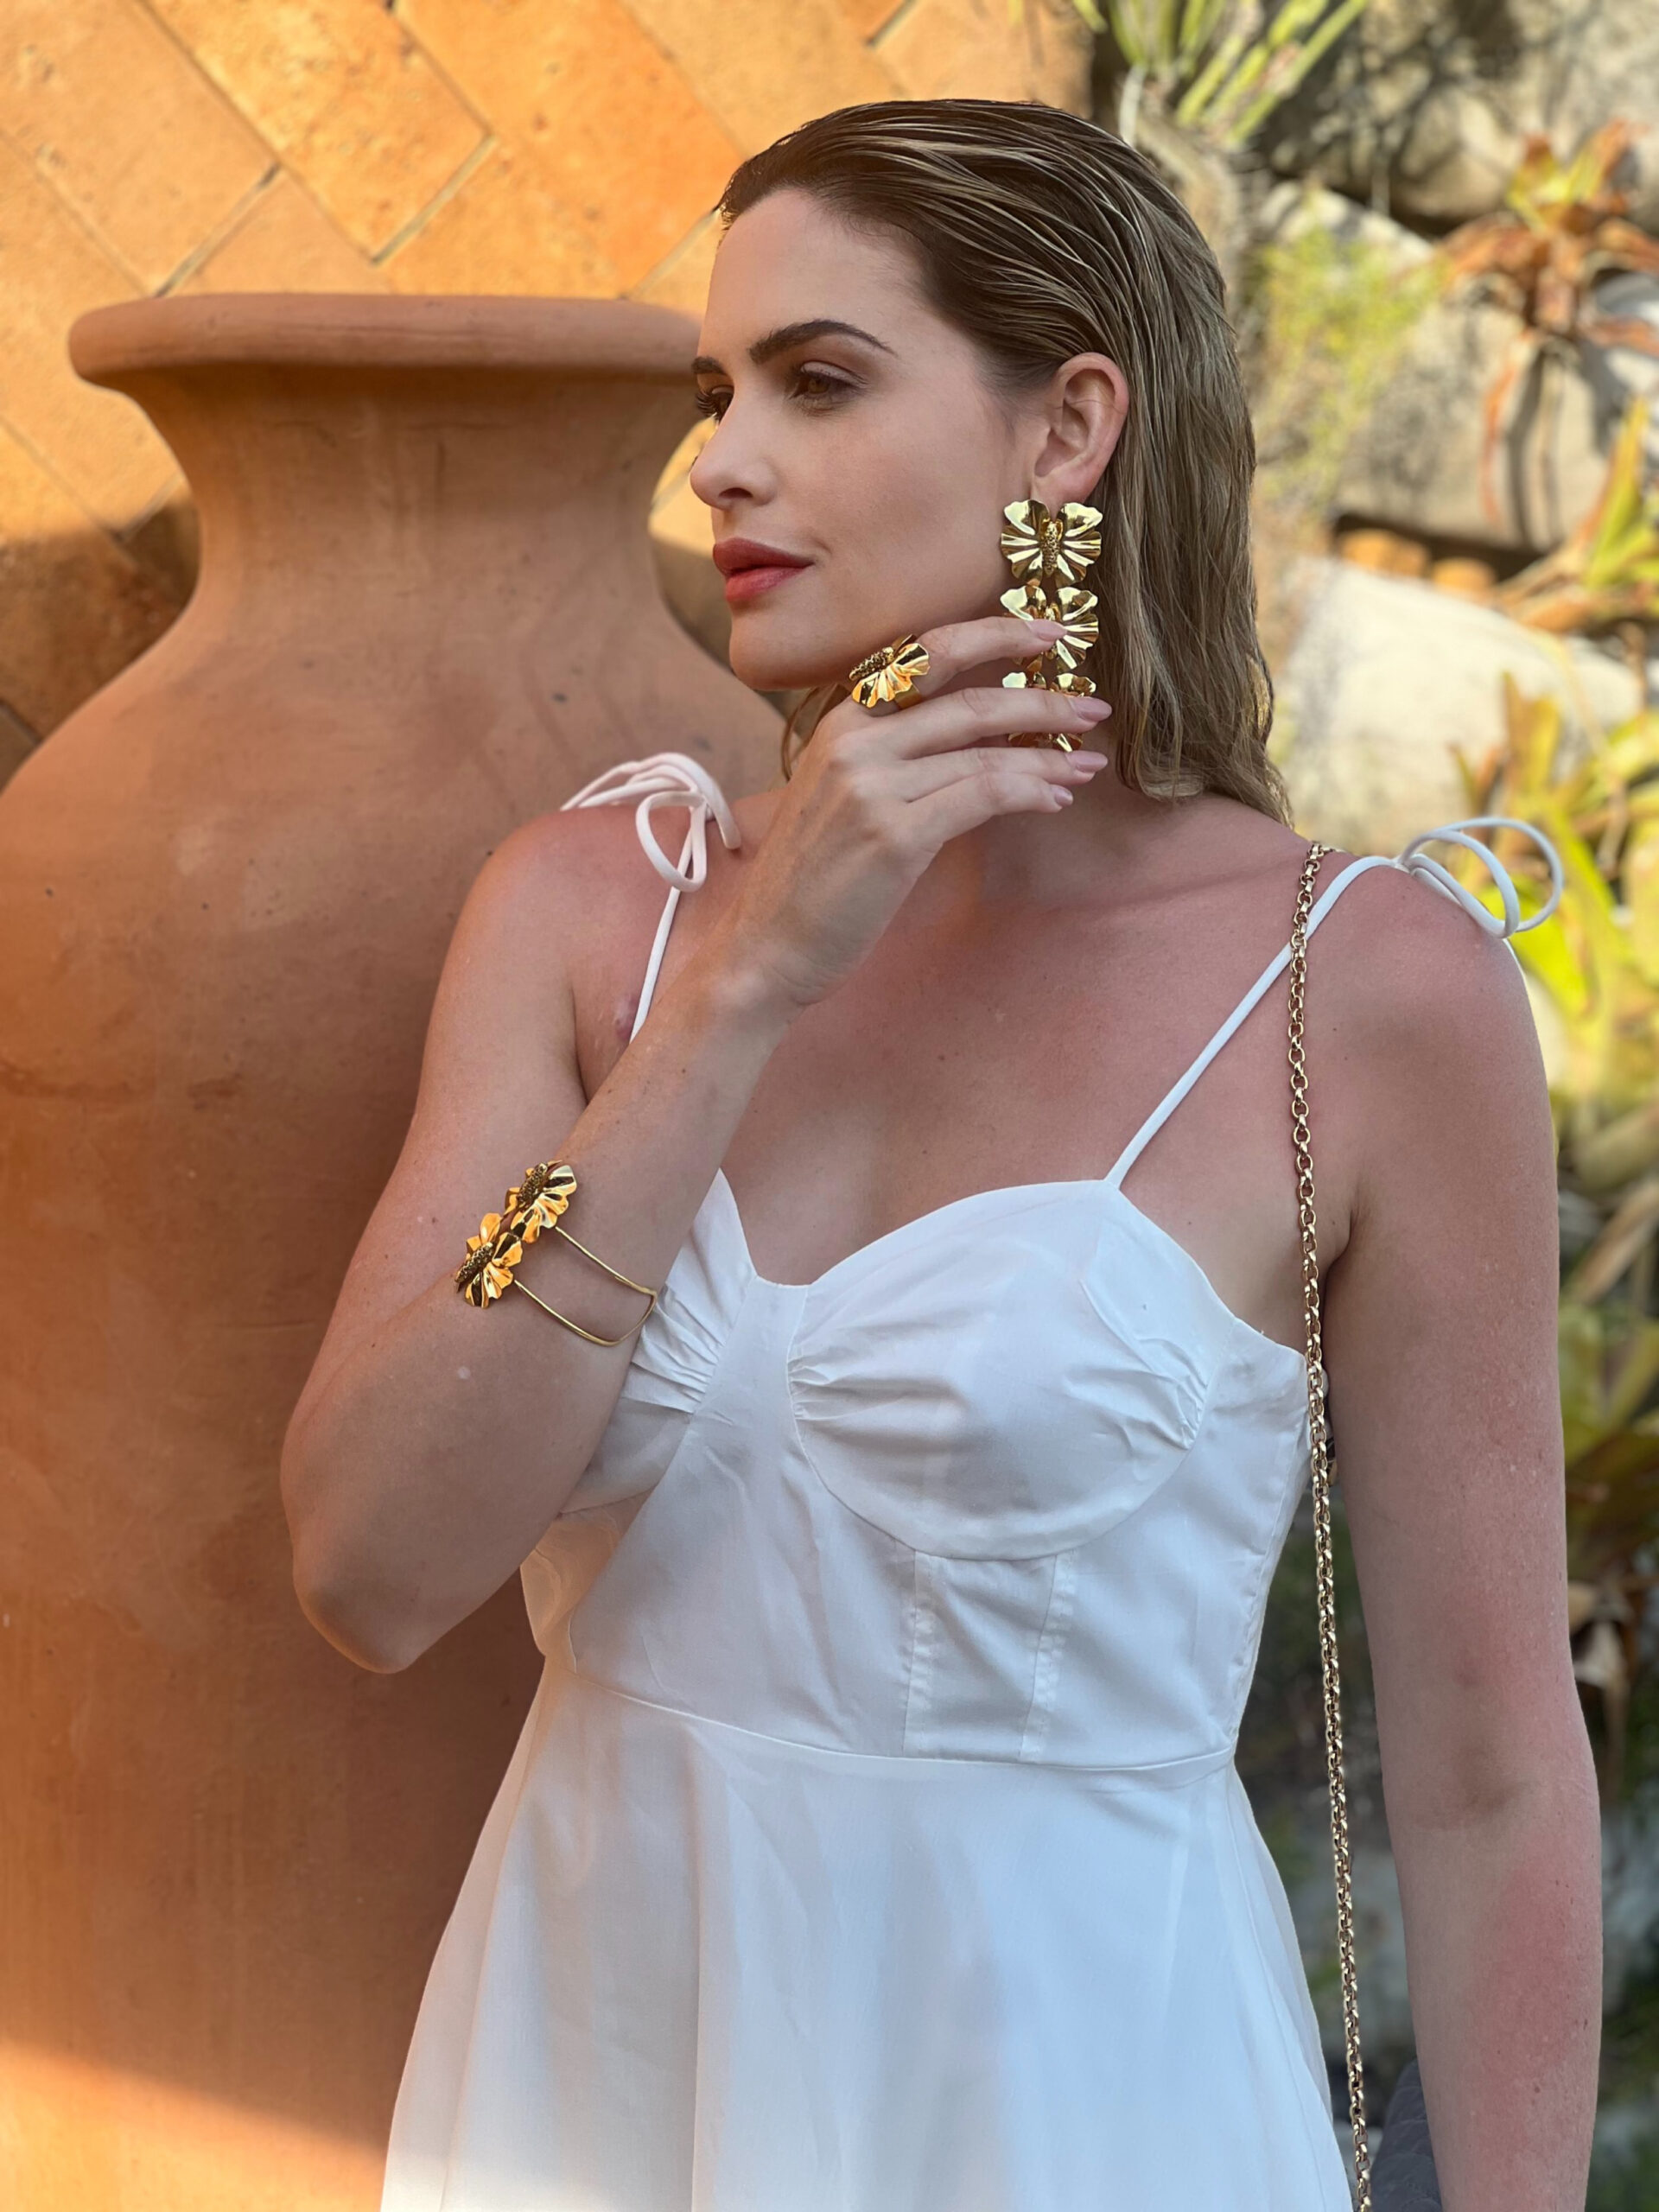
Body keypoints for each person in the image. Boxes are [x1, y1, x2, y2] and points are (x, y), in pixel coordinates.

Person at [279, 99, 1602, 2212]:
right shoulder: (601, 913)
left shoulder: (1364, 993)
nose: (721, 462)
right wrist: (736, 998)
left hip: (1091, 2112)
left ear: (1070, 427)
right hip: (601, 2085)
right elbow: (370, 1563)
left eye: (817, 381)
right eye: (716, 395)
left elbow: (1490, 1765)